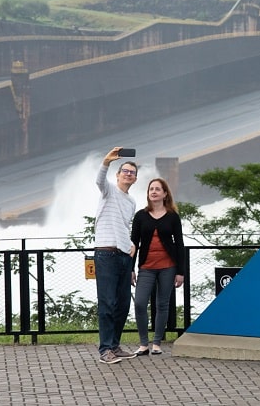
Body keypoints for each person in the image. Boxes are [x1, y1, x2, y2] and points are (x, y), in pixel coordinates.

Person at [93, 147, 139, 364]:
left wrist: (131, 246)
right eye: (125, 171)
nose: (128, 174)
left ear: (135, 178)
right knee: (107, 303)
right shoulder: (109, 190)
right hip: (106, 254)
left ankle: (114, 345)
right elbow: (99, 181)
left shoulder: (131, 202)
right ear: (118, 175)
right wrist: (106, 161)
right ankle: (105, 350)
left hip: (123, 256)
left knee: (122, 304)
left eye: (132, 172)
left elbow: (124, 226)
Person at [130, 177, 186, 356]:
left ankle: (156, 343)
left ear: (165, 194)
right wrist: (131, 269)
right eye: (151, 189)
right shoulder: (140, 216)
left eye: (157, 189)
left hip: (168, 267)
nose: (153, 192)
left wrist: (181, 272)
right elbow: (134, 244)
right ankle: (143, 344)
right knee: (140, 303)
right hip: (146, 267)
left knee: (162, 304)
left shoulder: (172, 216)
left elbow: (179, 244)